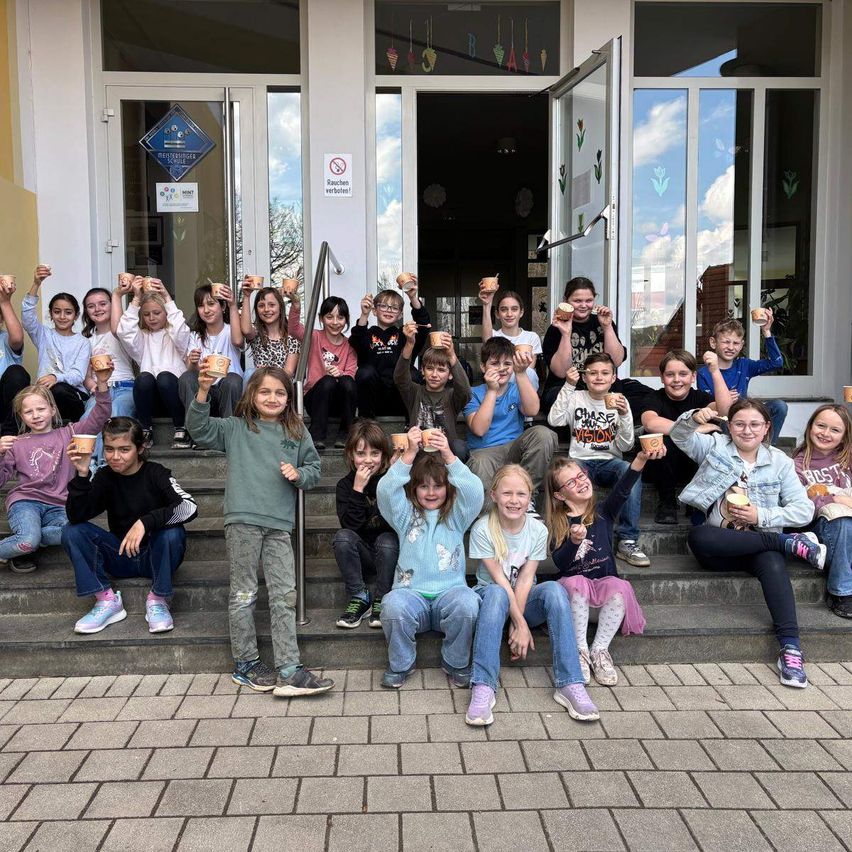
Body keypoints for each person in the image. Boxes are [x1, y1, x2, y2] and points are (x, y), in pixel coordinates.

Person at [186, 365, 332, 697]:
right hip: (242, 522)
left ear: (289, 398)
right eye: (265, 391)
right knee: (244, 594)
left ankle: (290, 668)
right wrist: (203, 391)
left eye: (280, 392)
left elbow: (314, 469)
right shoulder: (236, 428)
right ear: (252, 394)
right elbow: (198, 429)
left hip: (280, 526)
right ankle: (246, 663)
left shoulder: (296, 432)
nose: (272, 397)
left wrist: (299, 474)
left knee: (284, 596)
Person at [672, 398, 825, 688]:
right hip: (720, 547)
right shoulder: (715, 447)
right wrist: (695, 416)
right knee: (698, 536)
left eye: (755, 424)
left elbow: (804, 509)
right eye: (739, 424)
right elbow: (679, 436)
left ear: (767, 428)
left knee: (771, 560)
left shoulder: (779, 461)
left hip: (758, 548)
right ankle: (785, 542)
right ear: (729, 426)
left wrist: (761, 514)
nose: (747, 430)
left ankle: (791, 648)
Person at [465, 464, 599, 726]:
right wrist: (521, 625)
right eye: (507, 494)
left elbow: (526, 579)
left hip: (523, 599)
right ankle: (483, 685)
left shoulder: (537, 530)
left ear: (530, 498)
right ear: (493, 496)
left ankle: (570, 683)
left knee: (554, 590)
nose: (514, 501)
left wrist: (520, 622)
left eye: (521, 494)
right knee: (495, 592)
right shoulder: (483, 529)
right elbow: (500, 581)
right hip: (491, 601)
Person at [62, 416, 197, 634]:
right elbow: (77, 516)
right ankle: (106, 600)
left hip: (155, 556)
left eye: (124, 449)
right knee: (72, 531)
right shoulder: (105, 476)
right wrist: (82, 474)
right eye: (109, 449)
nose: (115, 457)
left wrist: (146, 522)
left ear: (140, 448)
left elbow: (189, 507)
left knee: (172, 533)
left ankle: (158, 599)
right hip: (120, 556)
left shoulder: (156, 473)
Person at [377, 427, 483, 688]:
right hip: (412, 597)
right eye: (424, 486)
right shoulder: (405, 516)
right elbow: (385, 490)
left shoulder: (457, 517)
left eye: (438, 486)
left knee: (469, 603)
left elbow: (474, 490)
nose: (431, 492)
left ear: (448, 488)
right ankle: (401, 664)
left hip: (450, 596)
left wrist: (447, 453)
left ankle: (455, 662)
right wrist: (410, 454)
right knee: (391, 605)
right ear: (414, 489)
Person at [545, 451, 658, 687]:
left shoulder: (603, 513)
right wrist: (574, 543)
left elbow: (624, 488)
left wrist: (641, 459)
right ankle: (580, 651)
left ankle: (599, 651)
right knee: (576, 582)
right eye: (571, 482)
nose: (581, 482)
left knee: (619, 587)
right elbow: (561, 564)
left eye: (581, 475)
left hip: (601, 603)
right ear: (559, 494)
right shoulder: (559, 523)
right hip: (574, 601)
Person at [0, 363, 112, 573]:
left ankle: (31, 539)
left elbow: (100, 415)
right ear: (21, 417)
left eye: (41, 409)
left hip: (59, 505)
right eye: (28, 412)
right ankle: (27, 541)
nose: (36, 415)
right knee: (28, 541)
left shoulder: (70, 432)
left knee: (73, 532)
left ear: (52, 410)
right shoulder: (16, 443)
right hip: (26, 502)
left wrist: (102, 383)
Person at [548, 353, 649, 568]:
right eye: (593, 373)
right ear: (584, 377)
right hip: (580, 462)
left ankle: (628, 539)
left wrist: (623, 416)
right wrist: (568, 385)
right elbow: (554, 419)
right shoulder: (576, 397)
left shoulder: (620, 401)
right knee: (571, 477)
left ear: (613, 377)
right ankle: (570, 532)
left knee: (628, 470)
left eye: (605, 373)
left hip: (609, 462)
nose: (599, 377)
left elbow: (626, 446)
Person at [464, 337, 557, 512]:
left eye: (507, 363)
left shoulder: (517, 387)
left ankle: (527, 497)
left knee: (544, 434)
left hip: (514, 448)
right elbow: (479, 429)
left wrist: (521, 373)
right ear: (483, 367)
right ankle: (488, 517)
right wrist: (492, 390)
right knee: (479, 463)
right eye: (494, 363)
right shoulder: (473, 393)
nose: (501, 368)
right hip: (485, 452)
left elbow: (532, 410)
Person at [640, 350, 733, 523]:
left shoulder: (701, 397)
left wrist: (715, 371)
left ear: (693, 377)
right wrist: (697, 428)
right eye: (670, 374)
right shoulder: (655, 397)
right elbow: (650, 423)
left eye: (683, 374)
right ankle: (667, 502)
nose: (677, 380)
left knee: (713, 437)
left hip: (693, 466)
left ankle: (696, 499)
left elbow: (726, 411)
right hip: (661, 466)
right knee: (661, 438)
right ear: (662, 378)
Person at [333, 419, 399, 629]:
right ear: (351, 456)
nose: (368, 460)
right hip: (362, 553)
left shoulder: (390, 480)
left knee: (387, 539)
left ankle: (382, 596)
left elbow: (398, 522)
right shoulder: (345, 485)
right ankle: (359, 596)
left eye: (375, 454)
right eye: (361, 454)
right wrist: (358, 490)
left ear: (384, 456)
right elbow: (350, 526)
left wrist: (394, 480)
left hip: (389, 552)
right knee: (342, 537)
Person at [116, 277, 191, 449]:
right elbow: (124, 332)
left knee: (165, 377)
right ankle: (145, 430)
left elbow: (180, 329)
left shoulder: (175, 336)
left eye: (157, 313)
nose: (151, 318)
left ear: (166, 313)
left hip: (175, 398)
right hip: (151, 401)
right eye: (146, 314)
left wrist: (166, 297)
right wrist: (135, 299)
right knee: (144, 378)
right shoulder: (142, 338)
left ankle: (181, 428)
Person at [794, 404, 852, 618]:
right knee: (842, 521)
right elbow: (801, 505)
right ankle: (842, 592)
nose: (826, 433)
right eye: (821, 426)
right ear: (810, 427)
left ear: (845, 436)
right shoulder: (798, 465)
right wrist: (837, 498)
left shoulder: (848, 457)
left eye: (835, 430)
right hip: (825, 530)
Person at [697, 315, 788, 446]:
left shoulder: (744, 365)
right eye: (726, 342)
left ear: (741, 345)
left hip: (748, 417)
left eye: (736, 343)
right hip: (723, 422)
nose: (731, 347)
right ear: (713, 343)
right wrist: (725, 400)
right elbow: (707, 406)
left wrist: (766, 332)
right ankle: (733, 449)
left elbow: (776, 363)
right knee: (724, 420)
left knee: (779, 406)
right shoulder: (704, 373)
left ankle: (766, 449)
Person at [541, 276, 627, 412]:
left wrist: (607, 327)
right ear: (566, 301)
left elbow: (616, 361)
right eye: (577, 301)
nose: (583, 305)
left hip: (600, 385)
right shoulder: (555, 328)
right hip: (566, 386)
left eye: (589, 301)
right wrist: (565, 333)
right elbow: (561, 372)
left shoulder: (602, 322)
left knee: (631, 393)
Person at [351, 280, 431, 418]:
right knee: (365, 371)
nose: (389, 310)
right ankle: (366, 425)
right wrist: (364, 314)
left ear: (400, 314)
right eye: (383, 306)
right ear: (374, 311)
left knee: (412, 373)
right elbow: (357, 340)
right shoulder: (367, 334)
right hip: (374, 399)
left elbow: (424, 325)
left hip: (400, 398)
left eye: (394, 308)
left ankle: (411, 424)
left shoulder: (405, 334)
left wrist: (413, 297)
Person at [22, 264, 90, 422]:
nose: (62, 316)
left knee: (58, 390)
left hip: (73, 396)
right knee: (26, 400)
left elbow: (78, 375)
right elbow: (27, 317)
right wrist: (36, 283)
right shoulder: (44, 335)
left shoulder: (83, 342)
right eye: (57, 311)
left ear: (76, 315)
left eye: (68, 312)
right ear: (51, 314)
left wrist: (55, 377)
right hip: (45, 396)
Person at [394, 324, 471, 461]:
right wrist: (410, 344)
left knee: (460, 446)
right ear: (422, 371)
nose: (434, 374)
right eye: (430, 368)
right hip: (418, 452)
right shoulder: (414, 392)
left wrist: (452, 356)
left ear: (450, 375)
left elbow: (465, 391)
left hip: (445, 453)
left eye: (441, 370)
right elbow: (400, 378)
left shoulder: (452, 396)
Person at [289, 295, 357, 449]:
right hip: (315, 398)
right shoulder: (314, 337)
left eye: (340, 317)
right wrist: (296, 304)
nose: (335, 322)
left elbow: (351, 374)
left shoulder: (350, 344)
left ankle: (346, 434)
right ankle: (317, 435)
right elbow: (293, 329)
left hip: (338, 403)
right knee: (328, 381)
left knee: (347, 381)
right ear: (321, 318)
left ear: (346, 320)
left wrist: (340, 372)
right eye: (329, 317)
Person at [80, 284, 136, 468]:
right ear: (86, 312)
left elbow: (117, 328)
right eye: (91, 306)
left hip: (125, 387)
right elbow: (86, 376)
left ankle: (106, 464)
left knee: (117, 410)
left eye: (103, 303)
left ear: (113, 306)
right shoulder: (86, 341)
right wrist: (92, 387)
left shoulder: (121, 333)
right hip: (100, 389)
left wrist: (118, 295)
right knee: (90, 415)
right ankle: (90, 464)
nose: (98, 309)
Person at [180, 284, 244, 429]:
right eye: (201, 306)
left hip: (227, 393)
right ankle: (195, 431)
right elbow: (191, 370)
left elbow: (238, 341)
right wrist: (193, 361)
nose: (206, 310)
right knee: (187, 377)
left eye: (211, 304)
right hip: (204, 393)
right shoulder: (195, 335)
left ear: (222, 307)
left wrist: (233, 305)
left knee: (232, 379)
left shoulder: (230, 331)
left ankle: (230, 432)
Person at [479, 288, 542, 390]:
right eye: (504, 309)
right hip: (499, 386)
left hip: (523, 387)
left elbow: (529, 369)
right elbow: (487, 342)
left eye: (514, 309)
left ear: (521, 312)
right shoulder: (494, 336)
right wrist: (486, 305)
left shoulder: (531, 337)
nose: (509, 314)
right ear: (497, 314)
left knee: (529, 372)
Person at [240, 282, 299, 374]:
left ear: (280, 308)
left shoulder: (291, 336)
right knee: (249, 373)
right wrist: (247, 296)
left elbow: (289, 372)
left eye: (271, 305)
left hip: (281, 384)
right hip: (259, 384)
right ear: (256, 310)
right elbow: (246, 330)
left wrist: (269, 372)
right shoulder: (257, 332)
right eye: (261, 306)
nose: (266, 309)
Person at [0, 274, 30, 436]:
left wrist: (5, 301)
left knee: (16, 372)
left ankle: (10, 431)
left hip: (5, 403)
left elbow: (17, 338)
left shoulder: (6, 338)